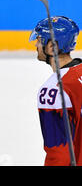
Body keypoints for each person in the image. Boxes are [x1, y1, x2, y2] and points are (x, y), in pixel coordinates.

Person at [29, 16, 82, 166]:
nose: (36, 45)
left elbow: (58, 151)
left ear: (52, 47)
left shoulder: (53, 90)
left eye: (39, 40)